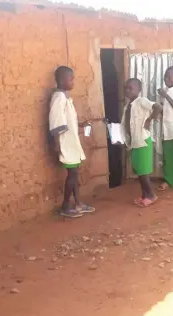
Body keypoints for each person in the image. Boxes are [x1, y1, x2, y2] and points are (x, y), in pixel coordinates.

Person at [49, 66, 95, 218]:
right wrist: (57, 144)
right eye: (71, 79)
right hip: (65, 143)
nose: (73, 81)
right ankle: (66, 206)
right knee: (72, 174)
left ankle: (78, 203)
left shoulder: (65, 97)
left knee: (74, 173)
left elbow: (68, 121)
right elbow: (56, 122)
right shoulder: (58, 98)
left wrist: (81, 125)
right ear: (61, 80)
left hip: (71, 142)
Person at [121, 78, 163, 207]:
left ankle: (151, 195)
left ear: (138, 90)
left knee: (143, 172)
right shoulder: (128, 106)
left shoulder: (141, 101)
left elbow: (158, 107)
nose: (127, 90)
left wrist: (149, 119)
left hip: (143, 141)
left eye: (130, 88)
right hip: (134, 142)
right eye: (126, 88)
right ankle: (144, 194)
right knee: (139, 170)